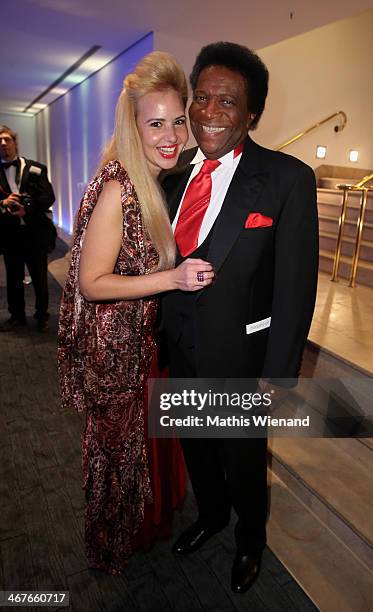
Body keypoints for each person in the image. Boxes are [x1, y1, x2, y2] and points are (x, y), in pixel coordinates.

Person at [161, 42, 319, 593]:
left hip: (241, 355)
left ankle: (251, 538)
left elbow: (296, 286)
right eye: (200, 97)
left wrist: (277, 374)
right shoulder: (172, 177)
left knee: (243, 457)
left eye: (226, 102)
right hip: (178, 345)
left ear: (252, 114)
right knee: (196, 447)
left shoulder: (286, 179)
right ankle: (210, 517)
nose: (207, 112)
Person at [58, 51, 215, 575]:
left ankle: (141, 525)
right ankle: (112, 546)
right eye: (155, 123)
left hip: (143, 344)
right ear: (133, 125)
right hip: (115, 352)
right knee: (119, 455)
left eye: (176, 120)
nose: (170, 135)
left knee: (141, 452)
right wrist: (172, 277)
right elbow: (91, 282)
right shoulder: (117, 189)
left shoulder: (154, 180)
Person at [0, 125, 56, 332]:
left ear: (15, 143)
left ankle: (42, 316)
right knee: (13, 277)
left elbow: (48, 197)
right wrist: (4, 203)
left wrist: (27, 210)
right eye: (0, 141)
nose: (3, 145)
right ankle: (17, 316)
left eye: (7, 140)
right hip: (9, 234)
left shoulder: (36, 168)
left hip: (35, 233)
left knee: (40, 277)